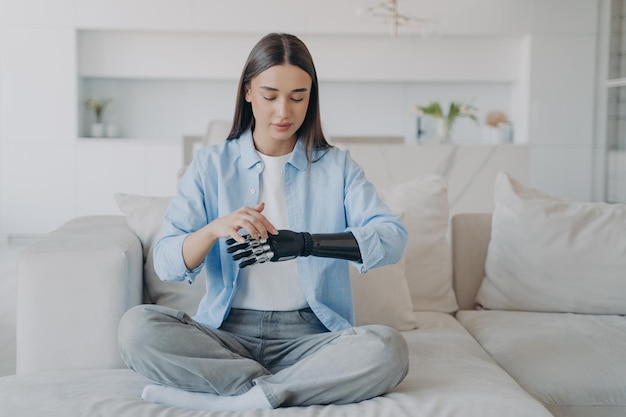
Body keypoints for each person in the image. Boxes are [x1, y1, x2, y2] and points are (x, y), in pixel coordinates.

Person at [117, 32, 409, 411]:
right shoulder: (210, 166)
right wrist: (212, 230)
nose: (284, 112)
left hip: (311, 338)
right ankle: (274, 392)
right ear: (248, 92)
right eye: (270, 96)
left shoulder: (337, 167)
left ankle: (238, 398)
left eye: (298, 97)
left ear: (312, 98)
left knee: (387, 349)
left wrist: (306, 242)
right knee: (136, 329)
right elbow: (167, 261)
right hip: (225, 337)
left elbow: (392, 238)